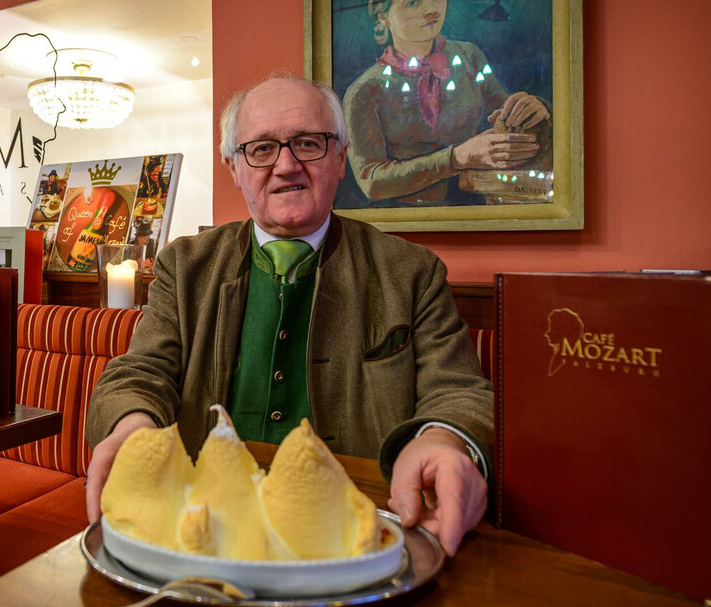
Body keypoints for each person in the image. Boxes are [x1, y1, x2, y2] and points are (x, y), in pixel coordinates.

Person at [85, 75, 492, 557]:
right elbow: (140, 371)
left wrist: (444, 439)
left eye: (307, 143)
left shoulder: (412, 272)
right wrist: (132, 428)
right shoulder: (183, 264)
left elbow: (460, 391)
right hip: (205, 530)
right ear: (234, 167)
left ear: (340, 157)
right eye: (260, 148)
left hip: (356, 533)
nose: (286, 165)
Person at [344, 0, 550, 206]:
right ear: (383, 16)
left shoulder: (469, 57)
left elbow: (503, 113)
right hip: (409, 219)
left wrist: (530, 111)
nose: (432, 9)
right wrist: (456, 158)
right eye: (413, 2)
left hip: (480, 206)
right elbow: (371, 181)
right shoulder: (364, 91)